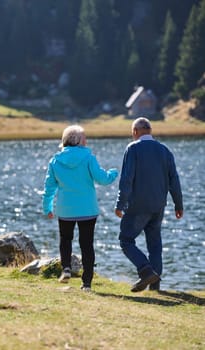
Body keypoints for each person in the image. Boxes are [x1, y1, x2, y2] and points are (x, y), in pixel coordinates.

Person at [42, 125, 118, 291]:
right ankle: (87, 284)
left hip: (65, 209)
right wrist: (113, 173)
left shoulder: (55, 160)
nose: (87, 140)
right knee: (87, 245)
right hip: (87, 209)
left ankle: (66, 268)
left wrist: (47, 207)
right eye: (84, 138)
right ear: (78, 140)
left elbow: (49, 187)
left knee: (65, 239)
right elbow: (102, 179)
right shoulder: (88, 157)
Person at [115, 117, 183, 292]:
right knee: (154, 245)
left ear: (135, 132)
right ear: (150, 131)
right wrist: (178, 205)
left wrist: (120, 204)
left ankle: (145, 271)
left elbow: (127, 179)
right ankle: (155, 285)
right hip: (158, 206)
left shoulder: (133, 148)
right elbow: (174, 180)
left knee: (126, 240)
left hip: (138, 206)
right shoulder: (164, 150)